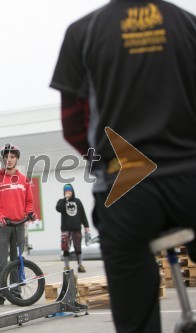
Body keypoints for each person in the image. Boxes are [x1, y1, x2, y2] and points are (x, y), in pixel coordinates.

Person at [50, 1, 196, 332]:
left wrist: (108, 163)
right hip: (190, 176)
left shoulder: (82, 33)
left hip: (127, 185)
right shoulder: (188, 24)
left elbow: (73, 126)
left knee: (135, 314)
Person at [0, 144, 36, 307]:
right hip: (2, 226)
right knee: (0, 261)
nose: (9, 160)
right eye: (6, 157)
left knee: (17, 260)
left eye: (12, 157)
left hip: (19, 225)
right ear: (3, 158)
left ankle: (15, 293)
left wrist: (30, 212)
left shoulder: (24, 180)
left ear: (17, 159)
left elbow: (29, 202)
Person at [55, 183, 90, 273]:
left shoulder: (78, 201)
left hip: (76, 228)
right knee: (65, 247)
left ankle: (80, 265)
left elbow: (83, 214)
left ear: (72, 191)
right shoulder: (61, 201)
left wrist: (86, 226)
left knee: (78, 247)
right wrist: (66, 200)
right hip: (65, 228)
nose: (68, 192)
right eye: (66, 191)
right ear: (64, 192)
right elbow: (58, 209)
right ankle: (66, 266)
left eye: (69, 190)